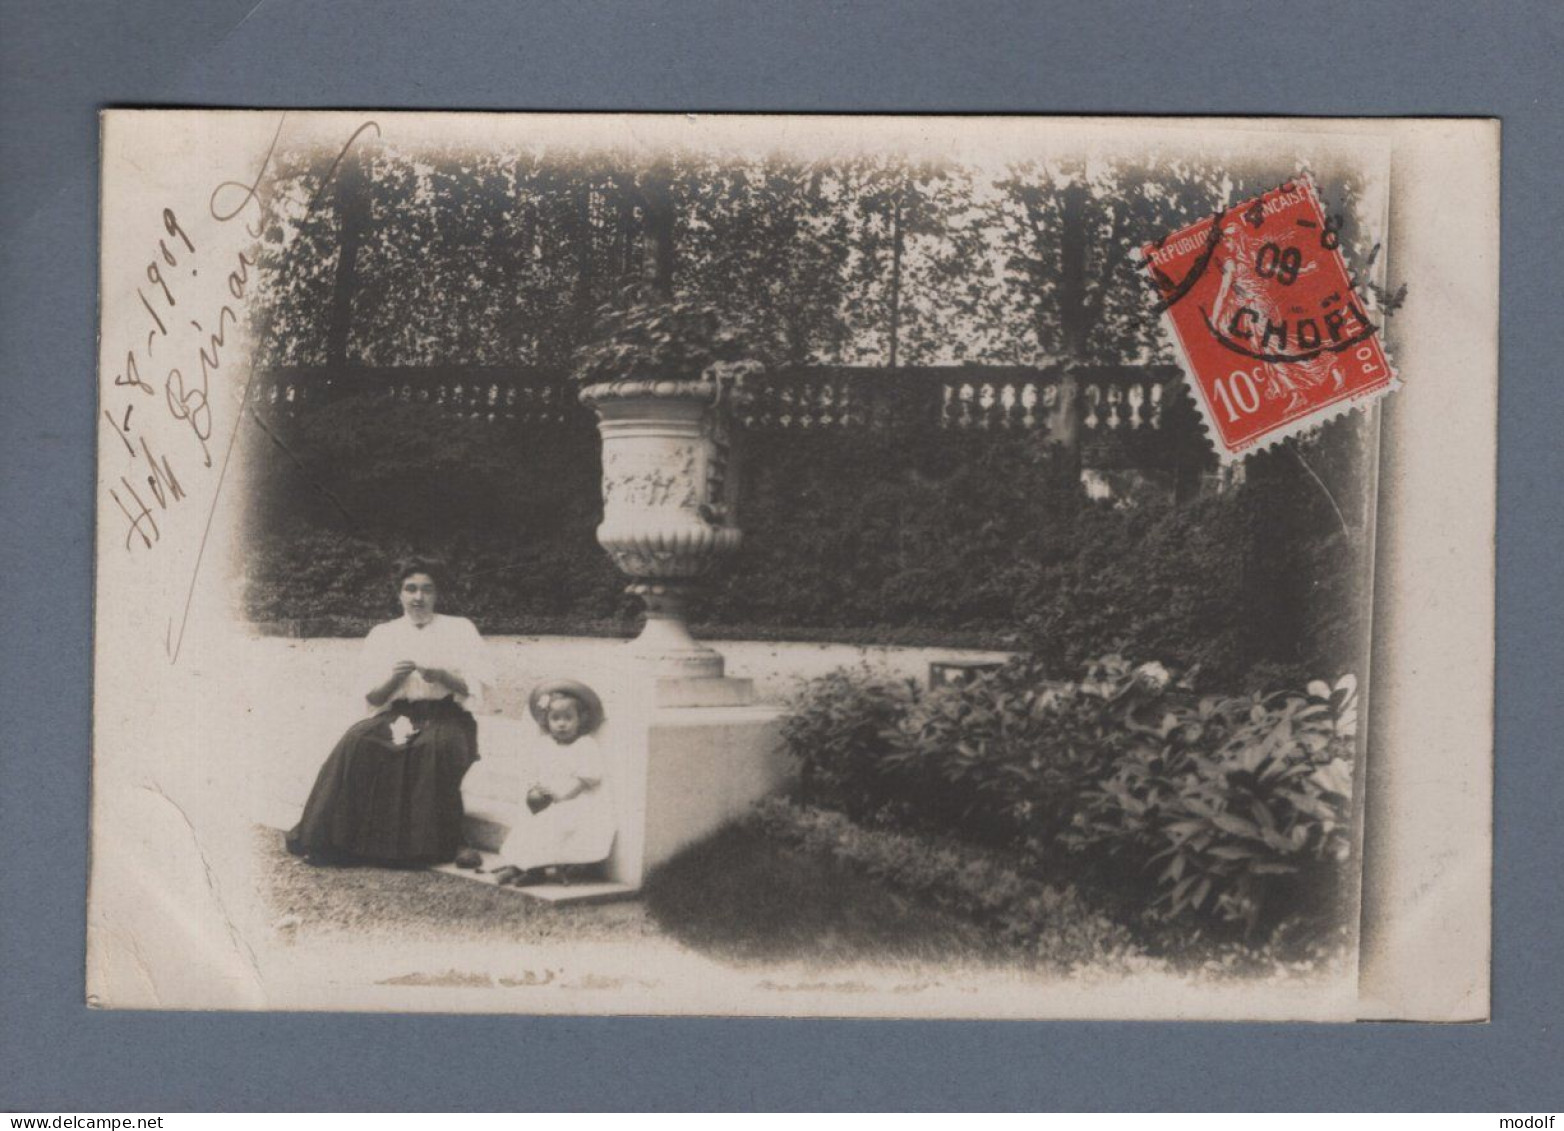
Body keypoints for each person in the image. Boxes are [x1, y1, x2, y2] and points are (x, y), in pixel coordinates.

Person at [286, 556, 494, 866]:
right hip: (398, 713)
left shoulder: (460, 629)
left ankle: (441, 842)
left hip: (446, 715)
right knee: (357, 739)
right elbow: (372, 695)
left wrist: (443, 676)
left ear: (437, 594)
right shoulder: (383, 634)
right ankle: (337, 838)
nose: (418, 597)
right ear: (399, 594)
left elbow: (478, 685)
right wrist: (395, 678)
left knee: (432, 747)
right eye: (411, 589)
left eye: (427, 589)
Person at [493, 680, 614, 886]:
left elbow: (586, 780)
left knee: (548, 821)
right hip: (546, 796)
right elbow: (536, 772)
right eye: (555, 718)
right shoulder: (545, 744)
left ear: (580, 719)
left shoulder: (584, 745)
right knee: (528, 820)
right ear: (546, 721)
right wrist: (538, 790)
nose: (561, 724)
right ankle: (515, 865)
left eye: (568, 718)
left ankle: (535, 871)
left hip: (574, 800)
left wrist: (561, 796)